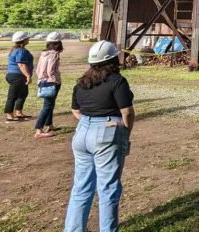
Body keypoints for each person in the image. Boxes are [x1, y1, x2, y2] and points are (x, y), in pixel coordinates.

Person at [64, 40, 134, 232]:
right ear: (113, 60)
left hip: (82, 133)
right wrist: (124, 132)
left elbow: (75, 110)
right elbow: (127, 111)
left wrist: (89, 122)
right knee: (108, 188)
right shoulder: (117, 81)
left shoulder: (82, 83)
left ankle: (74, 229)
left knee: (81, 186)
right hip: (106, 133)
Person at [34, 32, 63, 138]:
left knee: (50, 104)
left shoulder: (43, 54)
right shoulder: (54, 54)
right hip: (52, 82)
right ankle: (39, 129)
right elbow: (51, 70)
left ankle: (49, 124)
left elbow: (38, 69)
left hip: (42, 81)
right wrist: (55, 80)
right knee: (47, 106)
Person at [4, 31, 34, 122]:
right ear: (23, 40)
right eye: (27, 38)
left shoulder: (16, 50)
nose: (28, 39)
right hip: (17, 76)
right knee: (13, 95)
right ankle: (9, 115)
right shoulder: (21, 51)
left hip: (17, 75)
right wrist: (28, 75)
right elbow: (21, 64)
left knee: (23, 94)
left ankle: (19, 112)